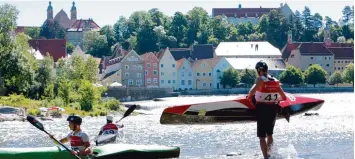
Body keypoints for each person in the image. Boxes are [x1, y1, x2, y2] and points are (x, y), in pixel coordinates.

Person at [247, 61, 287, 159]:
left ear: (258, 70)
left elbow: (251, 92)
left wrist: (249, 97)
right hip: (273, 109)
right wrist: (275, 100)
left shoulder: (260, 79)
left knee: (262, 136)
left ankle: (266, 157)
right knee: (270, 134)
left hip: (262, 109)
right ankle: (270, 154)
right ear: (267, 70)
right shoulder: (275, 80)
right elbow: (284, 97)